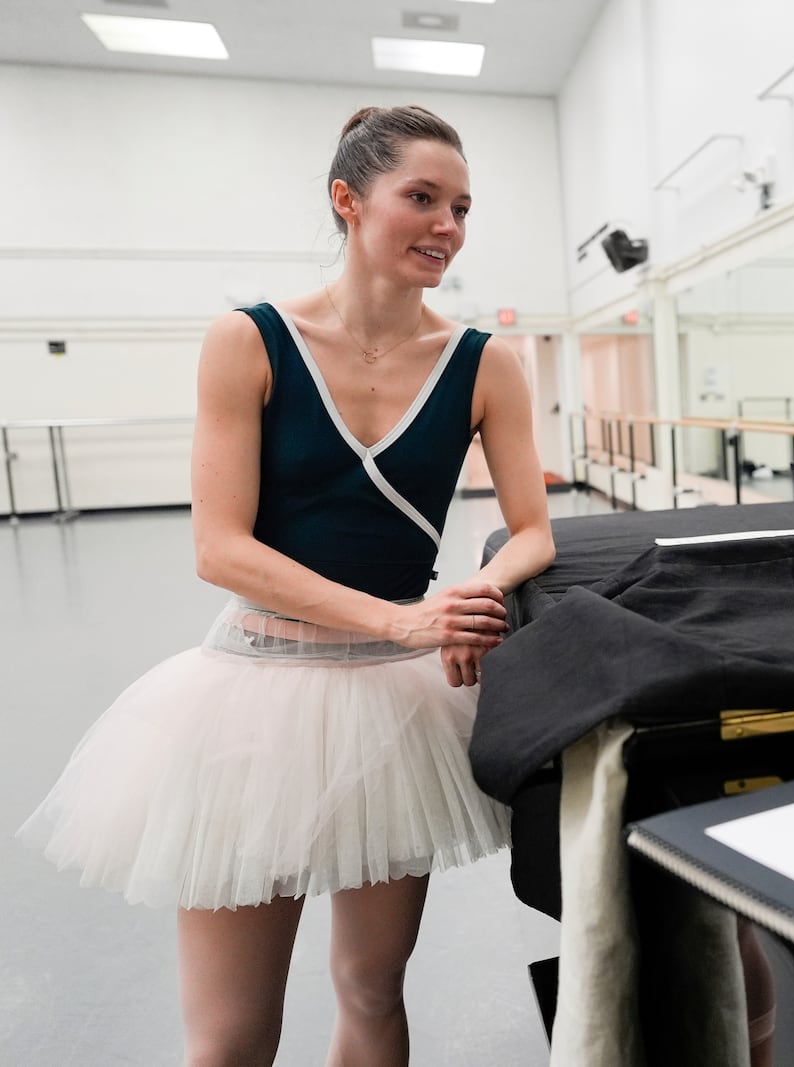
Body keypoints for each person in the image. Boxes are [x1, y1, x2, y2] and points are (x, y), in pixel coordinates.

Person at [18, 105, 556, 1066]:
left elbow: (532, 532)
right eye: (422, 198)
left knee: (372, 990)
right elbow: (220, 549)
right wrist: (400, 620)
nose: (448, 225)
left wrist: (478, 594)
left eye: (463, 207)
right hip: (252, 698)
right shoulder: (250, 341)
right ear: (348, 201)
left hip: (397, 711)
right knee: (231, 1035)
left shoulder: (485, 364)